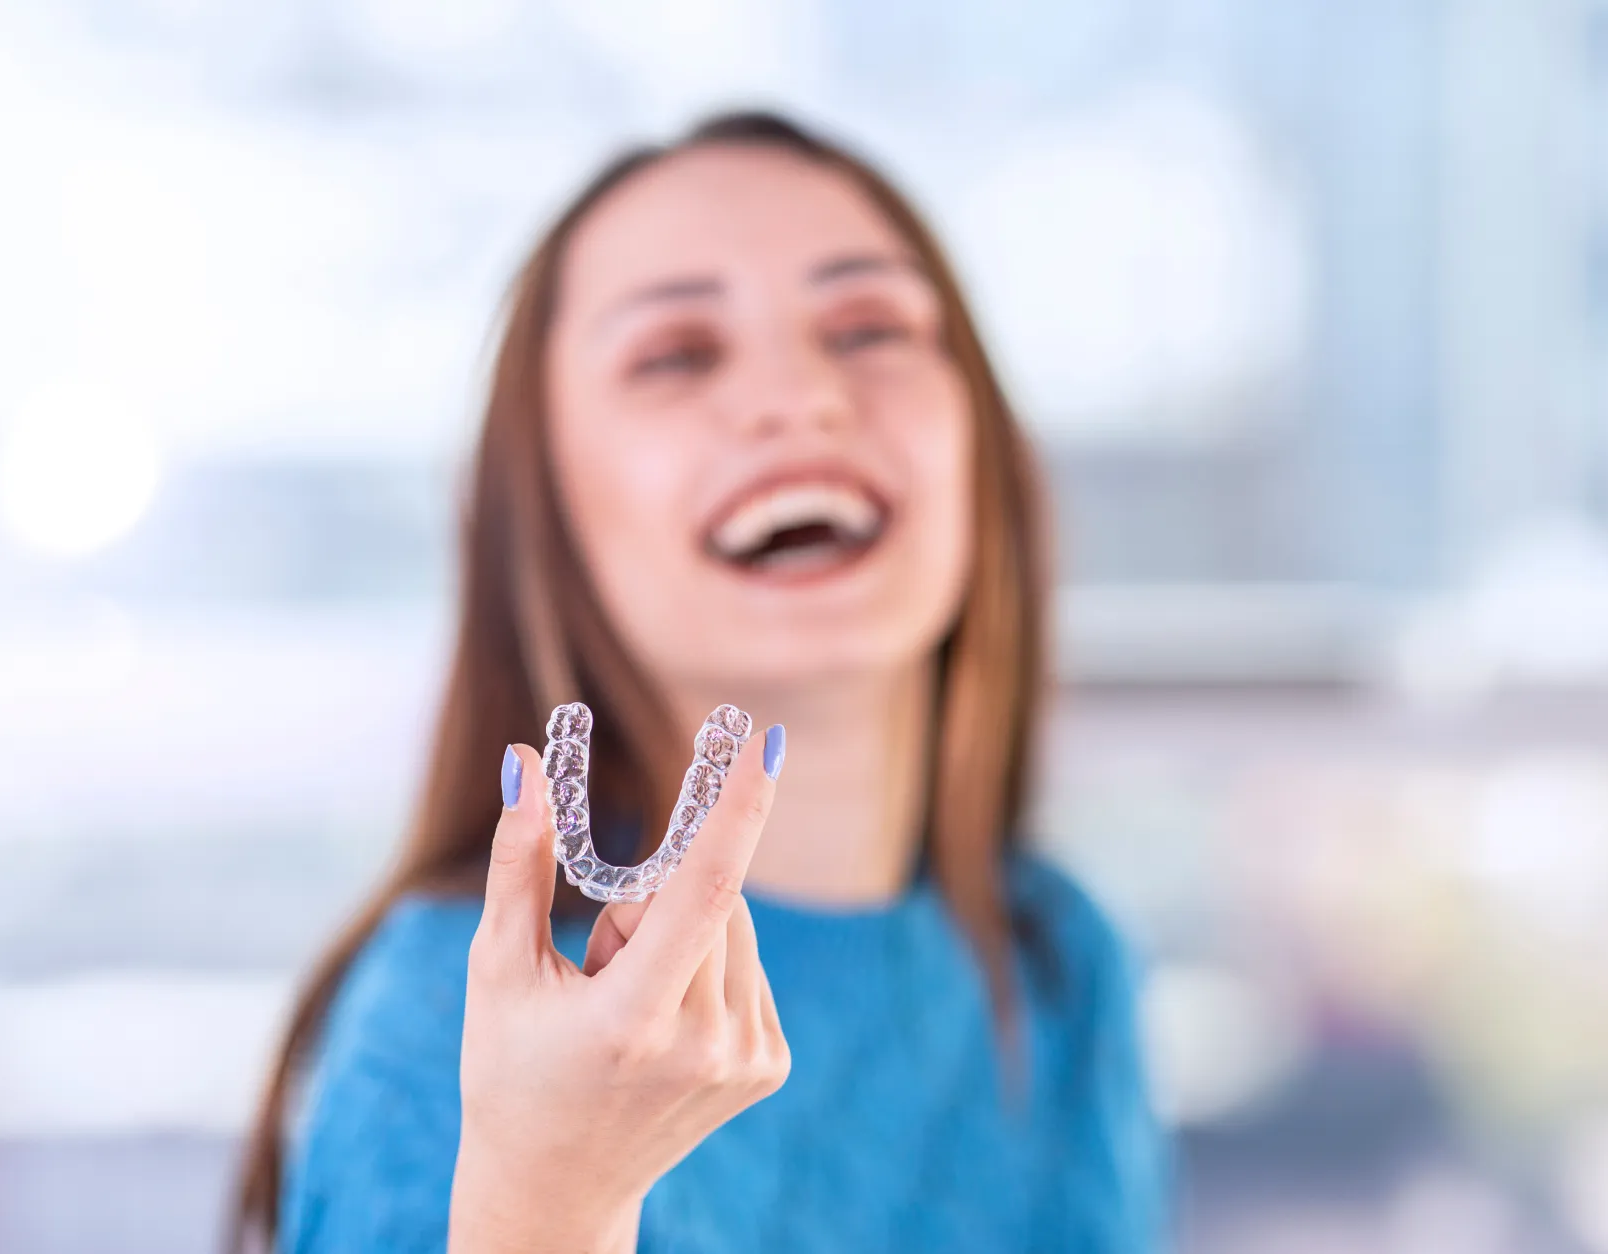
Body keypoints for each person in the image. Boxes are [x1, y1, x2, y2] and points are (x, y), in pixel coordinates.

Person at [231, 109, 1167, 1254]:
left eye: (870, 326)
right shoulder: (469, 1012)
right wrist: (546, 1204)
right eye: (675, 355)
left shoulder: (1063, 965)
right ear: (552, 518)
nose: (798, 396)